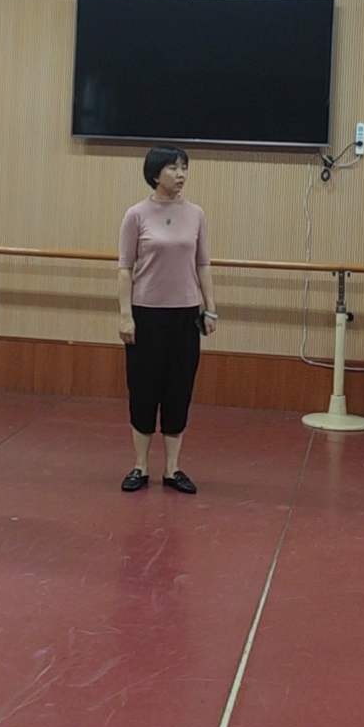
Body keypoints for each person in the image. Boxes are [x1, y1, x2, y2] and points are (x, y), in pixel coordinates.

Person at [118, 145, 217, 495]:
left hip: (185, 315)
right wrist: (126, 316)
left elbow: (203, 264)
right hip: (146, 314)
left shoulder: (196, 214)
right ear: (155, 173)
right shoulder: (136, 215)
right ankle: (140, 466)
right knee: (143, 390)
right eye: (173, 168)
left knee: (178, 390)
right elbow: (125, 268)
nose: (181, 174)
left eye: (184, 167)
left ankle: (172, 469)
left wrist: (210, 306)